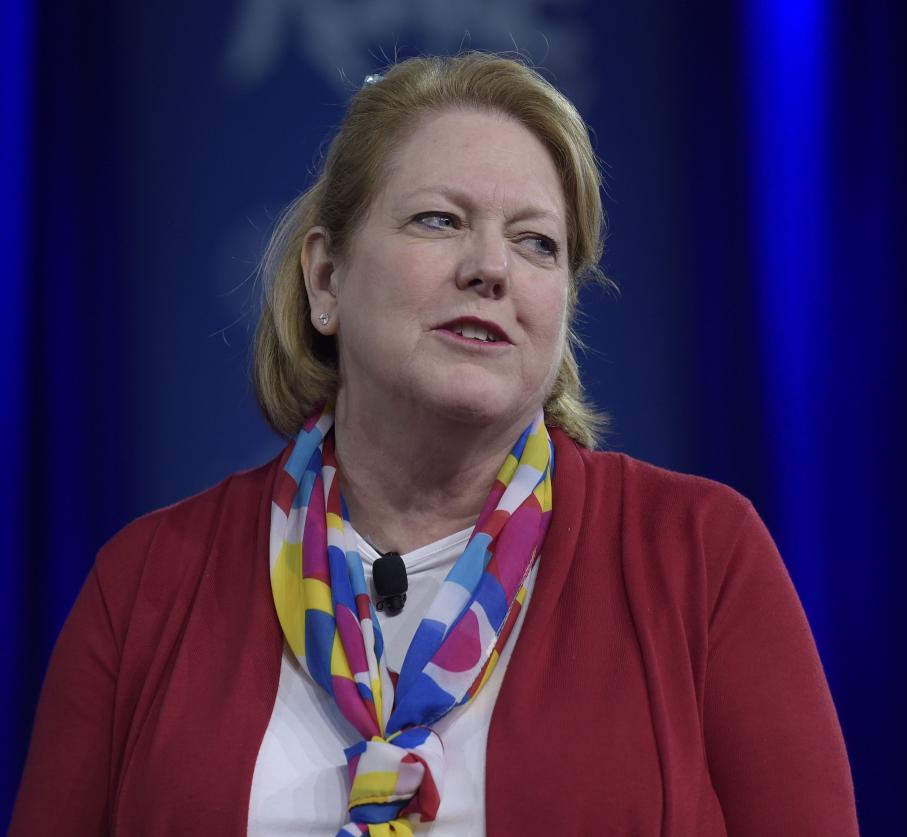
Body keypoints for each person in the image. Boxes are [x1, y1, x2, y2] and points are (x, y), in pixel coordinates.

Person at [10, 53, 857, 836]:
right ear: (326, 279)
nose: (493, 267)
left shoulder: (700, 556)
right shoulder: (146, 585)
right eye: (439, 220)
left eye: (536, 242)